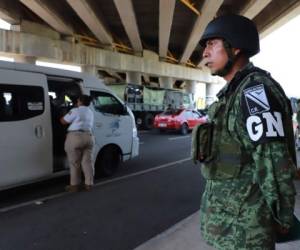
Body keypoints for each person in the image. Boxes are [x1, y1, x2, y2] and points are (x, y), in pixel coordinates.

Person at [196, 14, 296, 249]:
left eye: (211, 44)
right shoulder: (233, 92)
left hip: (246, 234)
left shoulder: (254, 93)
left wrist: (283, 217)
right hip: (227, 228)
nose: (204, 53)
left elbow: (273, 163)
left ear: (235, 46)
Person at [60, 94, 95, 192]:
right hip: (89, 136)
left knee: (75, 163)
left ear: (79, 101)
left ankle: (74, 186)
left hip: (75, 137)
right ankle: (89, 184)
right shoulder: (90, 112)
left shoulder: (75, 110)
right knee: (88, 162)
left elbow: (63, 121)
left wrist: (64, 115)